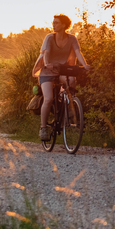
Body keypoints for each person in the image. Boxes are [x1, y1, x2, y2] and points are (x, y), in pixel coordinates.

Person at [37, 14, 91, 142]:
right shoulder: (49, 38)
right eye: (53, 22)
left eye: (56, 23)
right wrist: (47, 64)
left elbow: (78, 52)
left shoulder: (72, 39)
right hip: (47, 71)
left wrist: (84, 65)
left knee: (71, 80)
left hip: (61, 69)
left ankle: (69, 104)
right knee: (49, 98)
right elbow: (46, 54)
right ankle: (43, 128)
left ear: (63, 25)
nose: (53, 24)